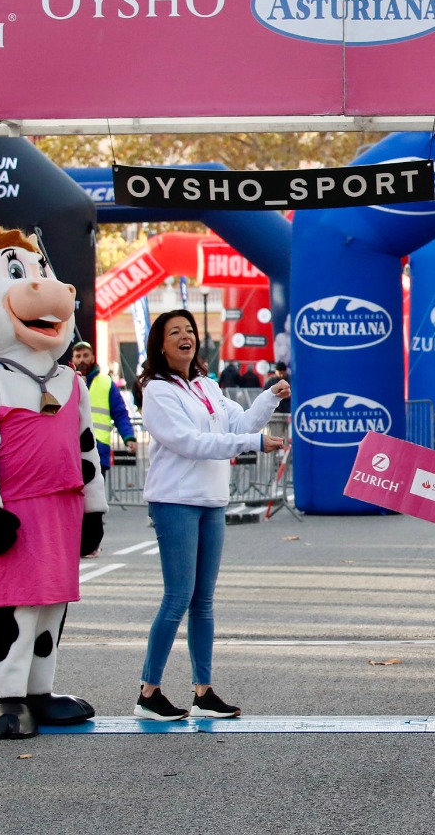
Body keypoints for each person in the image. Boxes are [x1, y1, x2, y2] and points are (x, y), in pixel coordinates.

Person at [133, 309, 287, 722]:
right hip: (175, 501)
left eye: (190, 331)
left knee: (203, 602)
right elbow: (191, 442)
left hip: (211, 500)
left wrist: (270, 396)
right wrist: (253, 441)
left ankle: (203, 691)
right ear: (160, 345)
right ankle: (149, 692)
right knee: (177, 597)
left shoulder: (206, 384)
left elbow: (239, 422)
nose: (186, 337)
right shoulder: (157, 391)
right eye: (175, 332)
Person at [71, 341, 136, 479]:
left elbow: (120, 413)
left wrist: (128, 436)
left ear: (93, 357)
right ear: (72, 359)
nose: (82, 359)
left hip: (98, 451)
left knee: (95, 499)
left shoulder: (106, 383)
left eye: (85, 355)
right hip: (70, 451)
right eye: (78, 356)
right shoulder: (66, 382)